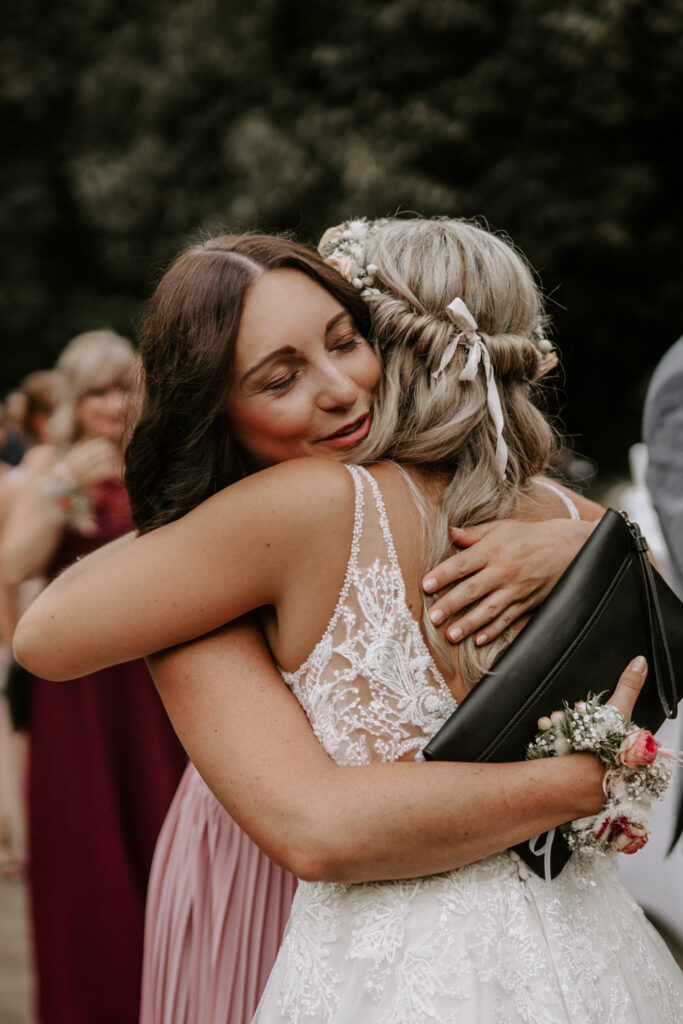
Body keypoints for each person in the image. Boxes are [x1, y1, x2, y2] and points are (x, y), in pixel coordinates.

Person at [15, 224, 682, 1022]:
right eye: (279, 377)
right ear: (210, 407)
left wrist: (589, 545)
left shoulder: (328, 507)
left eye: (345, 341)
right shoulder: (562, 513)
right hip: (581, 956)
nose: (339, 389)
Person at [2, 331, 186, 1024]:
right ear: (75, 400)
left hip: (153, 679)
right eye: (100, 391)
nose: (114, 404)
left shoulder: (158, 457)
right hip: (78, 689)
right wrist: (61, 491)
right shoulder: (51, 462)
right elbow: (12, 567)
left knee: (158, 827)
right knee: (89, 854)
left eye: (125, 388)